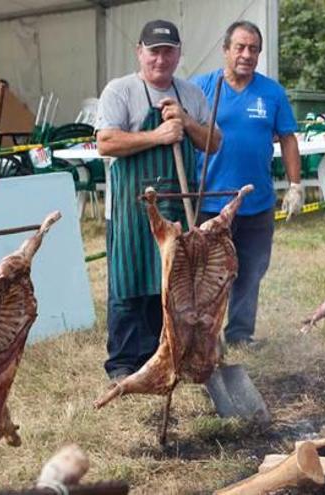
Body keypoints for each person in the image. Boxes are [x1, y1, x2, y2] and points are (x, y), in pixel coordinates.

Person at [95, 19, 221, 380]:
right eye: (154, 51)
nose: (161, 59)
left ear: (179, 54)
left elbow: (213, 143)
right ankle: (123, 363)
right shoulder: (120, 91)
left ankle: (164, 355)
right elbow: (106, 143)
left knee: (173, 282)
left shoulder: (190, 94)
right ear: (140, 52)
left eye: (168, 51)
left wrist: (186, 121)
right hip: (132, 207)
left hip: (177, 202)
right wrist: (158, 135)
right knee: (130, 280)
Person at [191, 20, 303, 347]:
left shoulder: (272, 92)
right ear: (225, 50)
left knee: (251, 271)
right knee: (208, 275)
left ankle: (240, 334)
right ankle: (203, 336)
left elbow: (288, 138)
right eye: (239, 47)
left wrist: (295, 186)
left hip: (257, 203)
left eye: (253, 49)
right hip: (211, 202)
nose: (246, 54)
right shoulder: (201, 88)